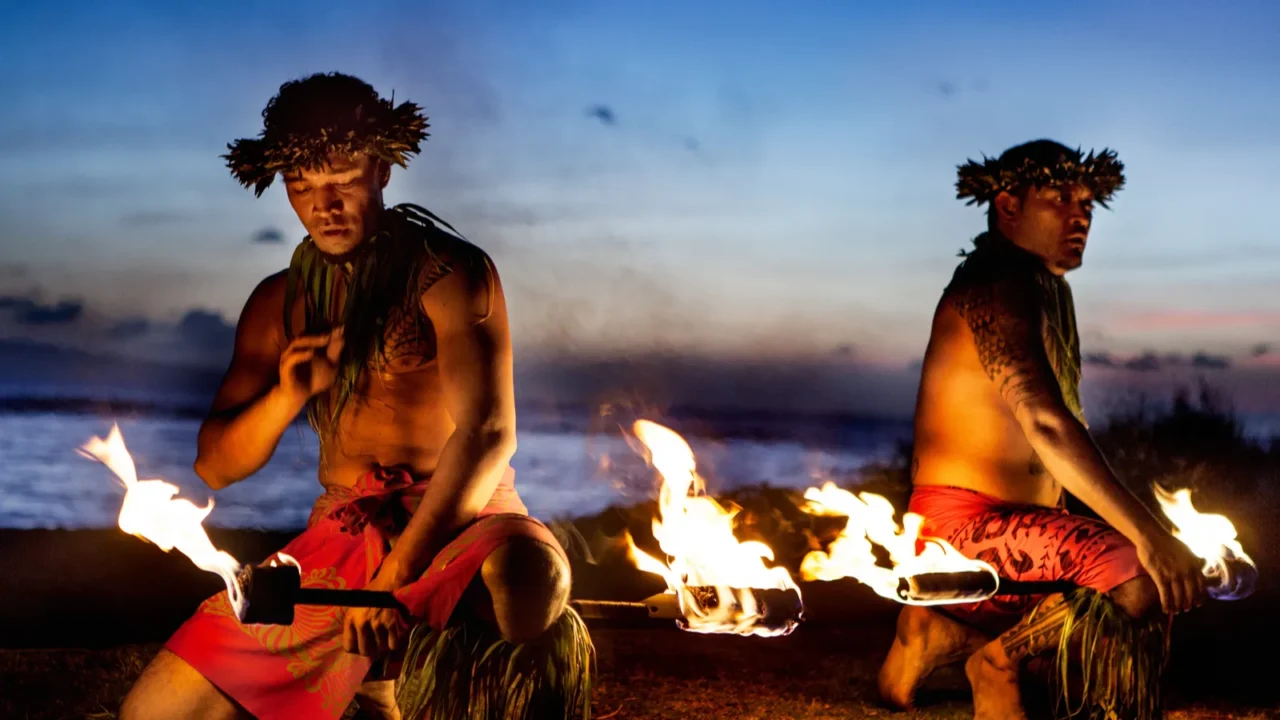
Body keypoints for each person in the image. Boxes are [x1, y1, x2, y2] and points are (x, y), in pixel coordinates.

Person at [118, 72, 594, 720]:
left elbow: (487, 435)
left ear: (383, 171)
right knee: (153, 716)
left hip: (463, 520)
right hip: (341, 535)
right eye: (302, 186)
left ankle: (413, 679)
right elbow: (216, 466)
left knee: (528, 590)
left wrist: (395, 582)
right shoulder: (276, 301)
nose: (325, 204)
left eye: (342, 178)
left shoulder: (450, 272)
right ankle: (373, 689)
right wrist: (288, 394)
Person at [875, 139, 1207, 719]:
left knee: (1141, 579)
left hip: (1028, 532)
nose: (1080, 215)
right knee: (1140, 571)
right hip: (962, 527)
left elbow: (1058, 438)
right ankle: (995, 661)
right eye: (1059, 198)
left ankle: (942, 632)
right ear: (1007, 205)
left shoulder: (1050, 291)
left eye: (1086, 203)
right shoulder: (996, 282)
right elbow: (1045, 423)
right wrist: (1148, 537)